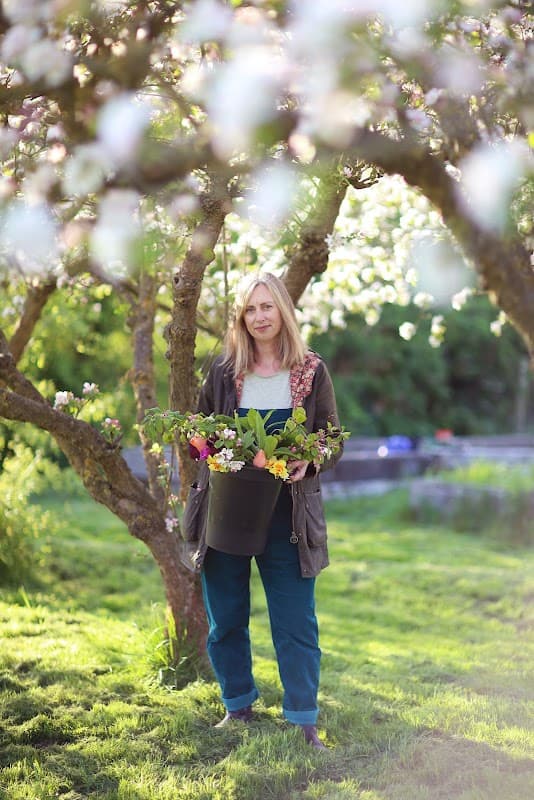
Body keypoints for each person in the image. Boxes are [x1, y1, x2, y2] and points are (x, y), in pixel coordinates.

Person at [181, 271, 343, 749]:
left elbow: (333, 439)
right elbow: (199, 433)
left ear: (283, 312)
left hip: (288, 517)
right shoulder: (224, 371)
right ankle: (238, 705)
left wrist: (308, 460)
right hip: (228, 509)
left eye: (267, 307)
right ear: (241, 317)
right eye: (250, 309)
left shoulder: (311, 371)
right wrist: (215, 450)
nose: (259, 317)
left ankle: (303, 717)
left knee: (295, 619)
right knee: (226, 615)